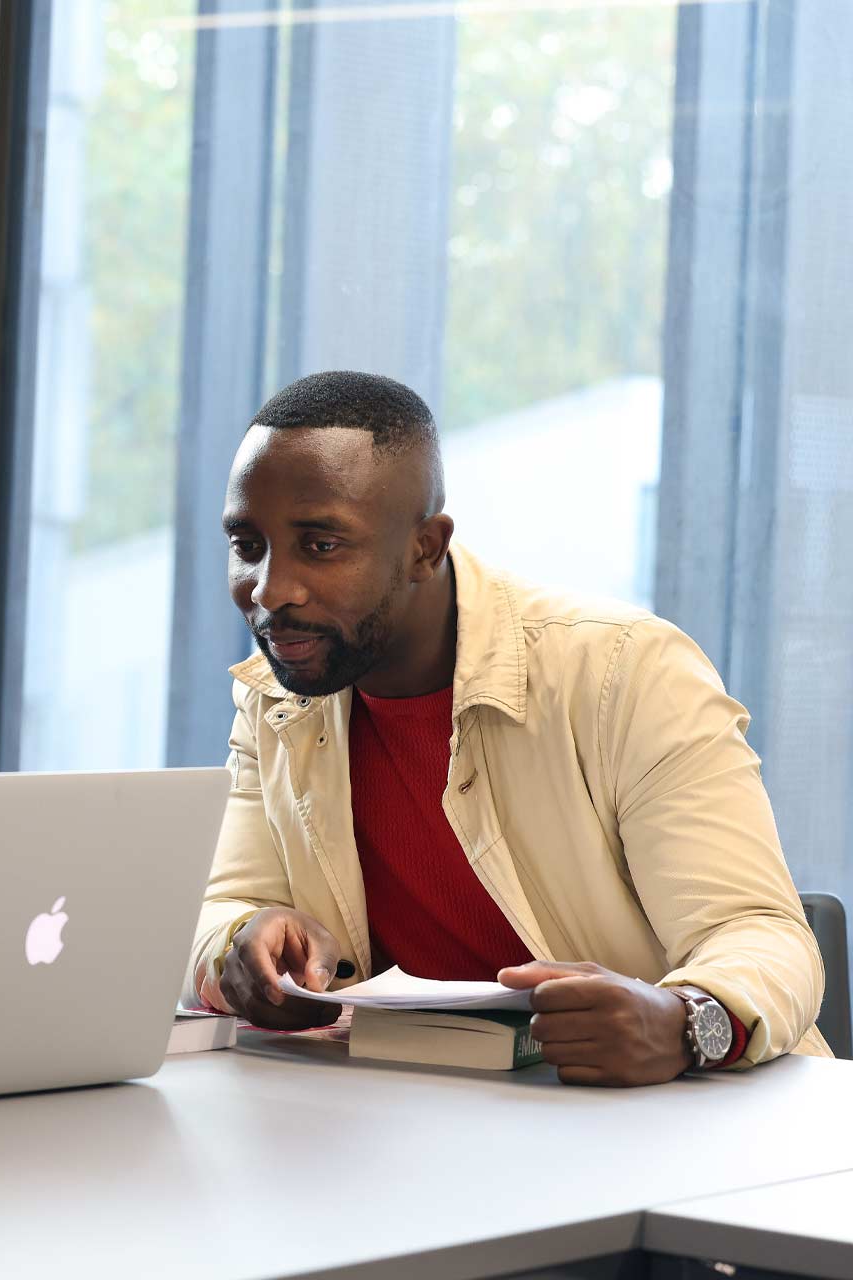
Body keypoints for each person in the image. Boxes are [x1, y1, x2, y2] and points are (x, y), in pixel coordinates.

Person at [186, 369, 829, 1085]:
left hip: (693, 1117)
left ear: (425, 548)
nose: (270, 590)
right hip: (426, 1117)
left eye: (322, 545)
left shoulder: (626, 671)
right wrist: (241, 943)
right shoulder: (279, 694)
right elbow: (222, 906)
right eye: (248, 544)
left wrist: (683, 1023)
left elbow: (762, 935)